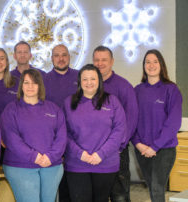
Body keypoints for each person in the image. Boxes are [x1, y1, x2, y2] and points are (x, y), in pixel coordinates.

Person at [0, 69, 67, 202]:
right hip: (20, 166)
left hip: (51, 166)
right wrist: (34, 156)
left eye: (34, 83)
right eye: (26, 82)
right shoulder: (11, 109)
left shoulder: (53, 109)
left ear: (40, 86)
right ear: (21, 86)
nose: (30, 86)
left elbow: (61, 137)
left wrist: (50, 156)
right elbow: (11, 139)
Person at [64, 64, 126, 202]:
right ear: (79, 82)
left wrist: (101, 154)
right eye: (85, 79)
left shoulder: (112, 101)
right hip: (77, 164)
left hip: (105, 164)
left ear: (99, 80)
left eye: (93, 78)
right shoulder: (68, 103)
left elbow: (119, 130)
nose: (89, 82)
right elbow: (65, 133)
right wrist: (80, 154)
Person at [132, 49, 182, 202]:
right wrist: (137, 143)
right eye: (147, 62)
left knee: (157, 187)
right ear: (143, 66)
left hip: (164, 149)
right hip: (142, 149)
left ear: (161, 65)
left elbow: (173, 123)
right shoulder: (137, 90)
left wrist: (155, 146)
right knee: (152, 188)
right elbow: (131, 121)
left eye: (155, 61)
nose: (151, 65)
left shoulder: (171, 89)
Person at [93, 45, 138, 202]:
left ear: (112, 61)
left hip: (117, 151)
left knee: (119, 195)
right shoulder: (89, 86)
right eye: (97, 60)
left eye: (104, 60)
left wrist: (119, 145)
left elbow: (131, 119)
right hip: (94, 152)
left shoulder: (123, 86)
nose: (100, 63)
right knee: (98, 194)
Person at [43, 44, 78, 202]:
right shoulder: (44, 80)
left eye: (64, 55)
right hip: (53, 138)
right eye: (57, 55)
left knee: (75, 182)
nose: (61, 58)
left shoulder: (80, 77)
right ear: (51, 58)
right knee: (59, 182)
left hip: (78, 137)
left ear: (69, 57)